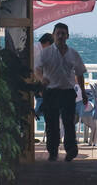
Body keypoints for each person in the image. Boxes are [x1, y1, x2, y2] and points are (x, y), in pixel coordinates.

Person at [34, 22, 88, 161]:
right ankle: (52, 151)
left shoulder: (73, 54)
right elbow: (37, 69)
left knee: (69, 123)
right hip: (51, 91)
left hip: (68, 92)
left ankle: (71, 150)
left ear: (68, 36)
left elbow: (80, 73)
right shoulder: (46, 53)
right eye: (58, 33)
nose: (60, 36)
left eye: (63, 33)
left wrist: (83, 92)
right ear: (53, 35)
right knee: (51, 124)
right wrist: (41, 79)